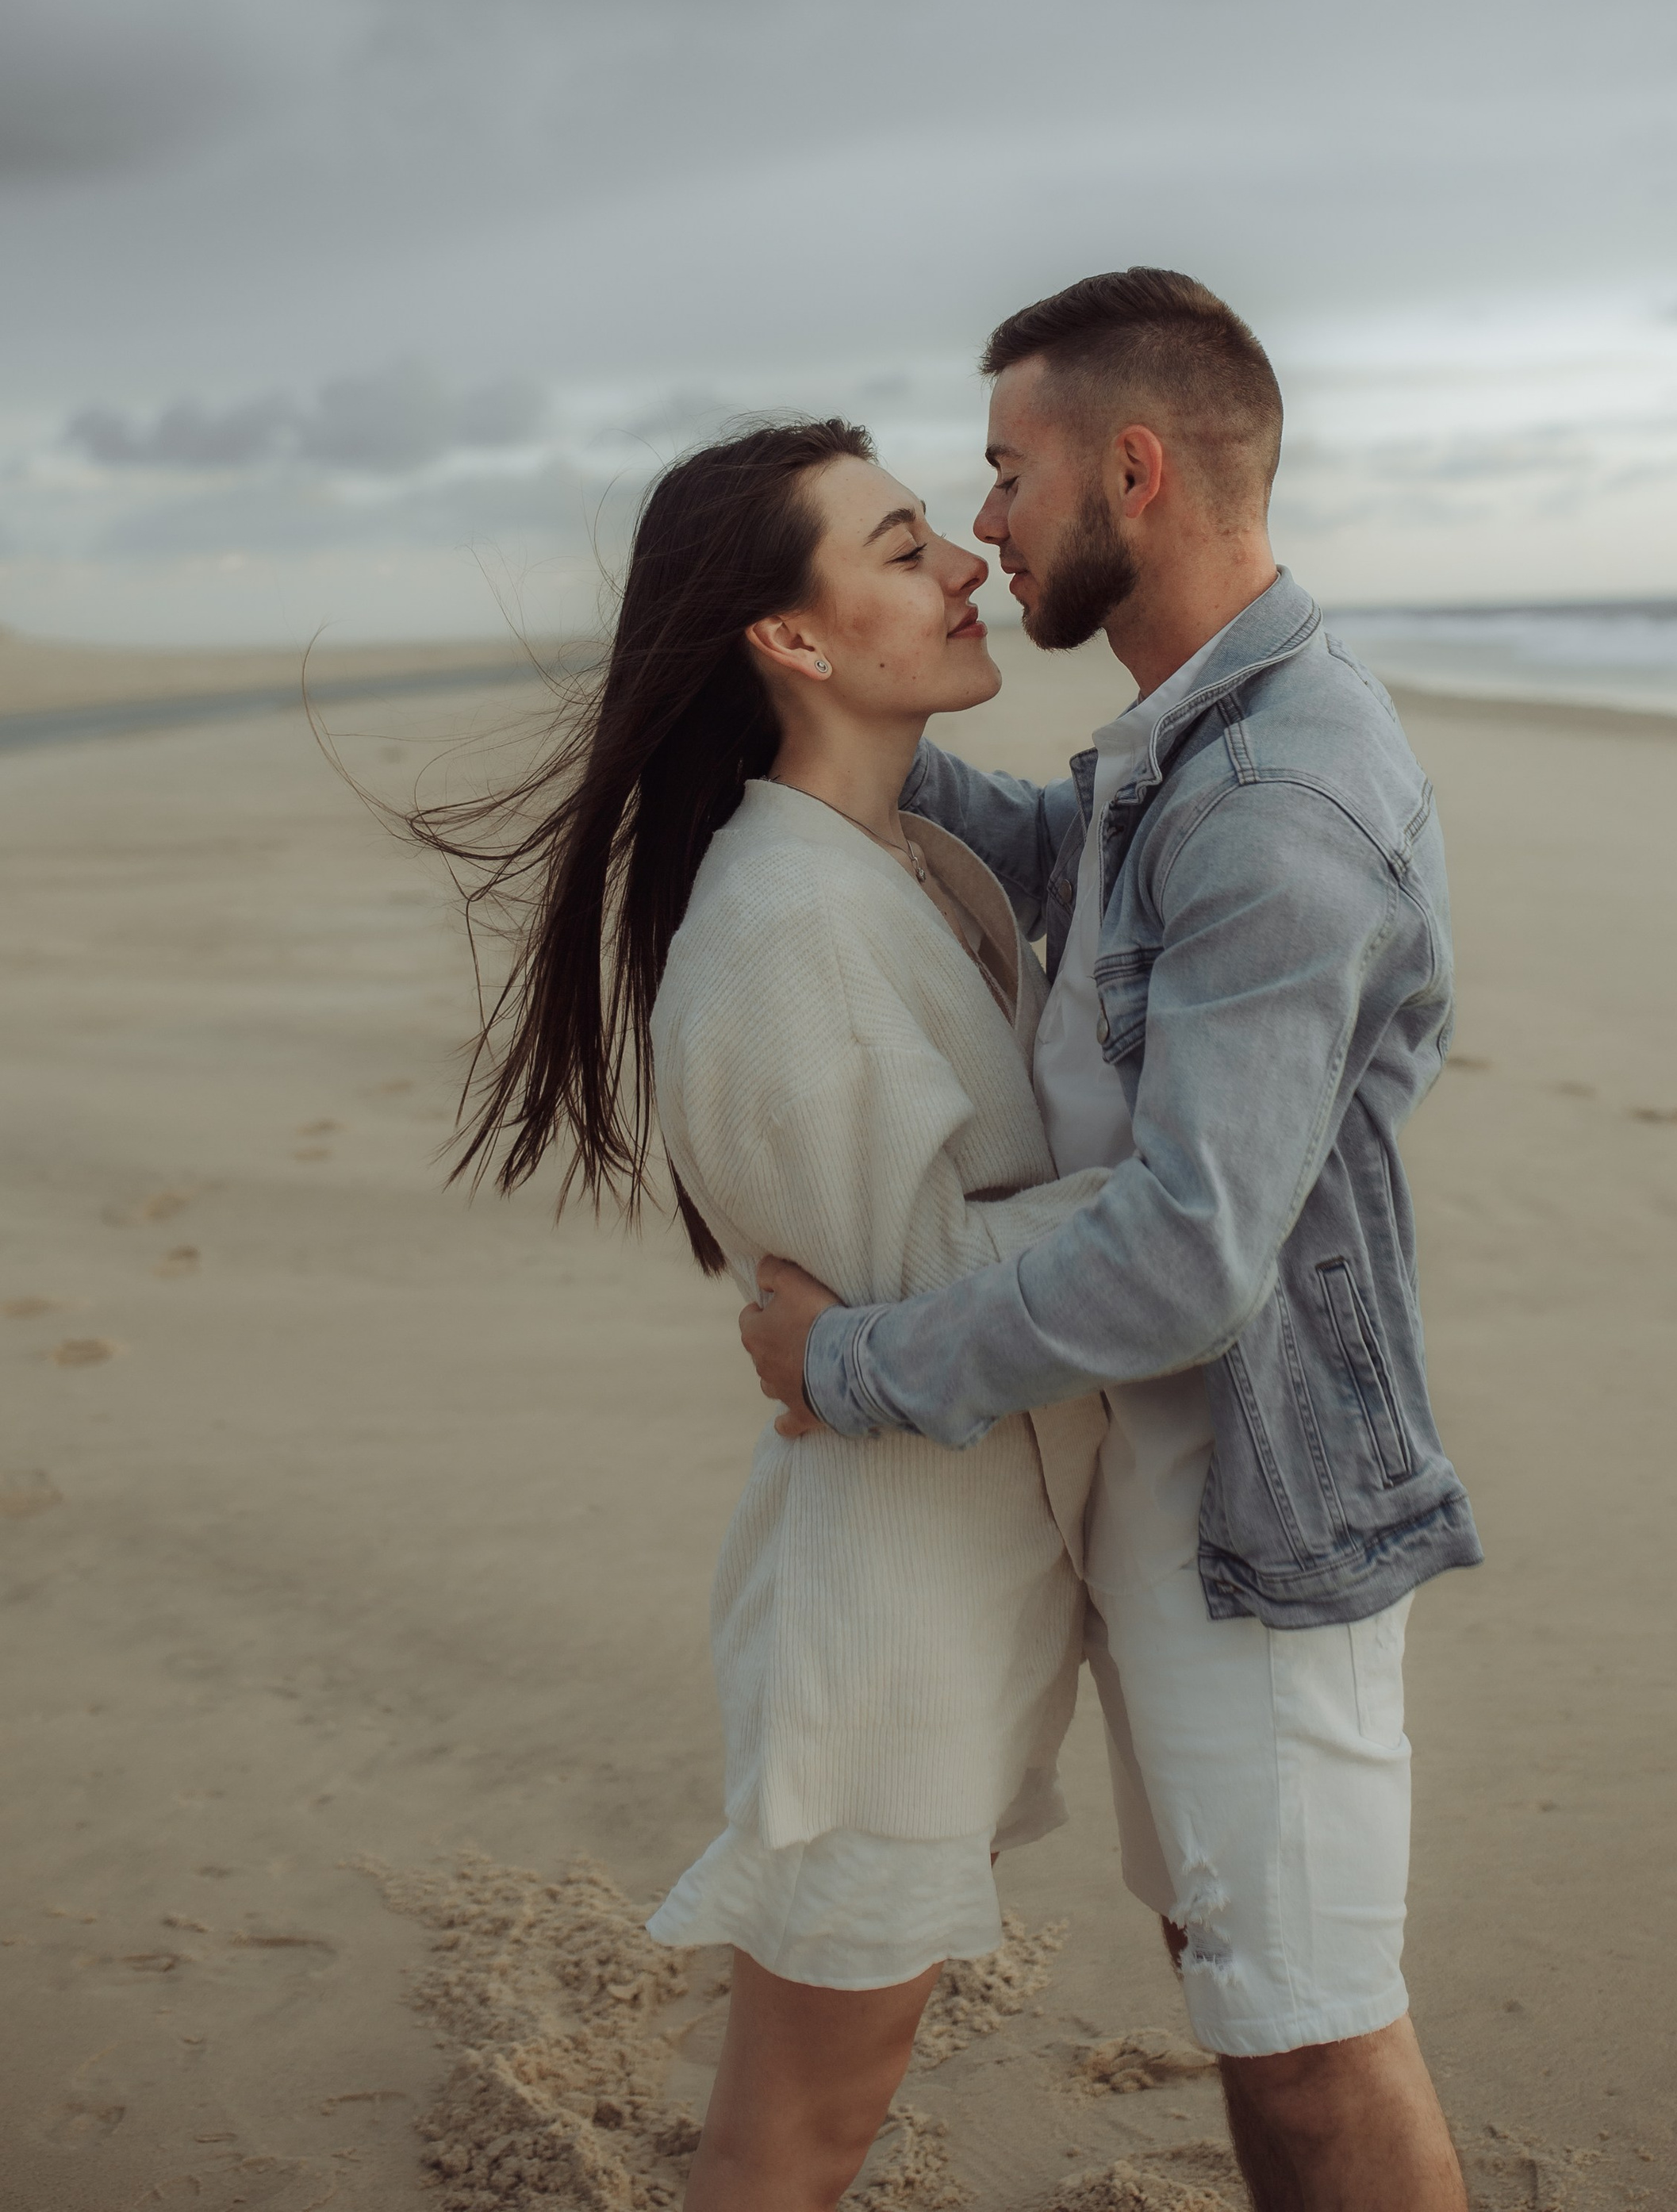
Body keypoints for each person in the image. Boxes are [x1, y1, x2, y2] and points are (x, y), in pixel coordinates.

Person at [740, 271, 1482, 2212]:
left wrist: (850, 1365)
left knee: (1313, 2037)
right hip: (1145, 1473)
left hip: (1256, 1495)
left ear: (1129, 471)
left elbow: (1185, 1256)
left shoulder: (1274, 800)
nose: (983, 524)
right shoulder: (1179, 743)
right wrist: (820, 707)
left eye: (1004, 473)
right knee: (1243, 1989)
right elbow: (1049, 849)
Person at [410, 417, 1109, 2212]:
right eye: (897, 548)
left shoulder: (908, 867)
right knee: (792, 2137)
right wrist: (1219, 1195)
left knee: (816, 2117)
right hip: (876, 1624)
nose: (964, 556)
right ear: (791, 645)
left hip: (956, 1580)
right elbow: (915, 1300)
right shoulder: (779, 921)